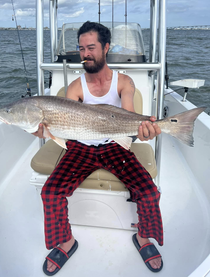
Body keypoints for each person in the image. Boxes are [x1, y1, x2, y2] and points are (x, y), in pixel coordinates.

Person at [34, 21, 163, 275]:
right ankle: (66, 241)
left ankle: (144, 237)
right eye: (81, 49)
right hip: (81, 147)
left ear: (106, 47)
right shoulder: (75, 87)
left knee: (148, 191)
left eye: (91, 47)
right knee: (50, 192)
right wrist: (45, 129)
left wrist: (142, 131)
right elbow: (65, 124)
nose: (85, 54)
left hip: (115, 145)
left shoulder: (123, 82)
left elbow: (129, 118)